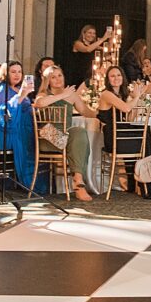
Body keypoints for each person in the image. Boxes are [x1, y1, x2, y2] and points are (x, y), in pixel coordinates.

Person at [33, 66, 97, 202]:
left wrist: (102, 113)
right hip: (48, 136)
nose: (57, 79)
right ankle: (79, 185)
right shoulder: (43, 95)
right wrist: (63, 95)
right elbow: (39, 103)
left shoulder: (71, 95)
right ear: (47, 81)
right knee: (75, 139)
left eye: (59, 75)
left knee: (79, 132)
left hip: (65, 137)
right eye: (53, 77)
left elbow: (86, 112)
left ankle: (78, 180)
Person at [0, 60, 42, 193]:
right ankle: (30, 182)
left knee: (41, 136)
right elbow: (3, 115)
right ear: (6, 73)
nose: (17, 75)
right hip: (4, 132)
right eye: (13, 72)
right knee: (34, 140)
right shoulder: (0, 89)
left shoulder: (17, 88)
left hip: (21, 127)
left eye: (19, 72)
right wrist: (21, 96)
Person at [97, 65, 148, 192]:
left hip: (122, 133)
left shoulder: (123, 95)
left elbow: (130, 118)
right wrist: (136, 97)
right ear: (108, 80)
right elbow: (126, 108)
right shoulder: (106, 94)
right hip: (113, 137)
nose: (116, 78)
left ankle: (143, 181)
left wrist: (137, 97)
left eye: (118, 75)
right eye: (112, 76)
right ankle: (144, 182)